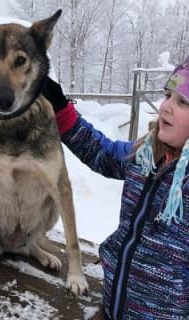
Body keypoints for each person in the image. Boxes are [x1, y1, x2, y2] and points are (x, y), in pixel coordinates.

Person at [42, 57, 189, 319]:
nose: (166, 106)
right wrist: (63, 110)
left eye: (183, 102)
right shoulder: (146, 156)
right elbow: (103, 153)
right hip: (113, 306)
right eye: (167, 95)